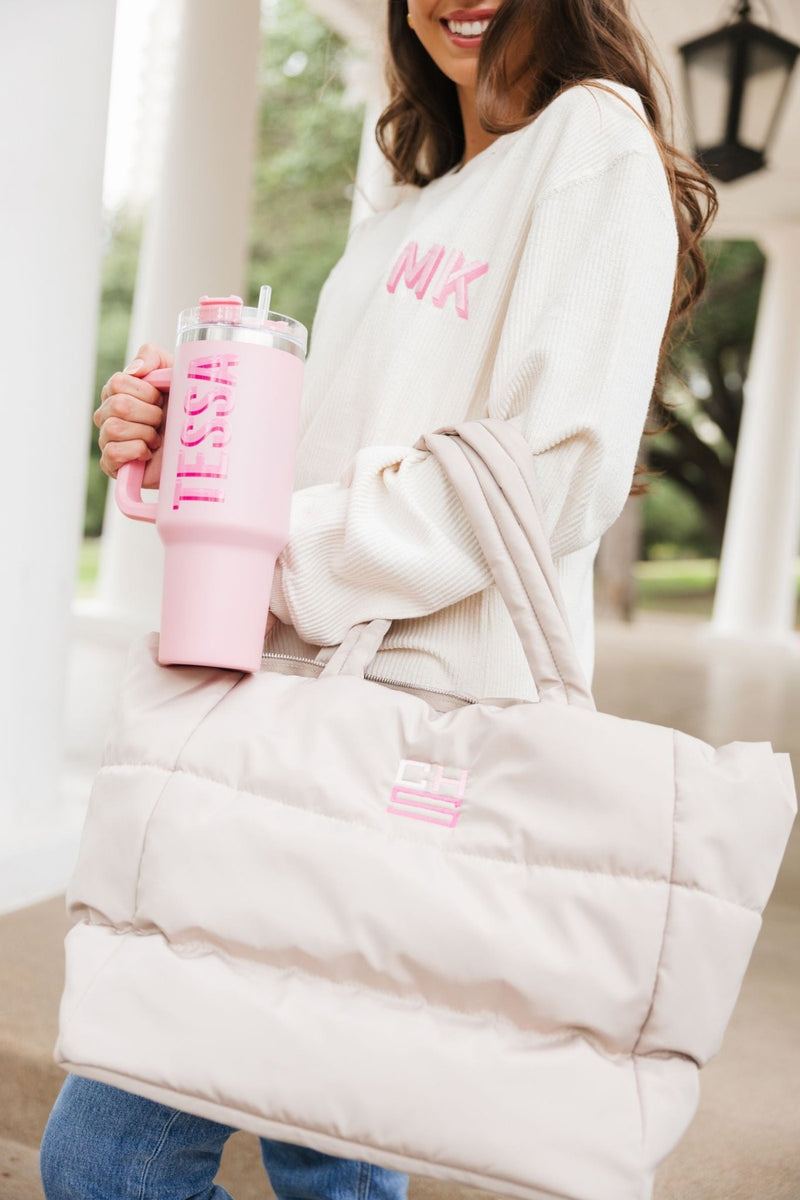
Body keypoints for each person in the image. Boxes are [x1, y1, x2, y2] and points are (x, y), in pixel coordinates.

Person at [40, 1, 716, 1197]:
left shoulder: (590, 137)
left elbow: (555, 467)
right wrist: (190, 437)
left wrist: (287, 548)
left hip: (403, 753)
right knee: (322, 1170)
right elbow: (326, 457)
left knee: (112, 1162)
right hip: (292, 728)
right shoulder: (408, 204)